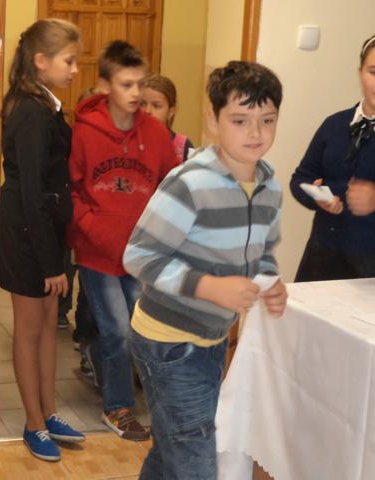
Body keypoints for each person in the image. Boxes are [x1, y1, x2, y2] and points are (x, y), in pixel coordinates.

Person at [124, 60, 288, 479]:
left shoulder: (269, 186)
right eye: (240, 120)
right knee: (195, 459)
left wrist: (269, 281)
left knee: (173, 447)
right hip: (167, 342)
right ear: (213, 121)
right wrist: (210, 287)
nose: (256, 133)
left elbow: (260, 251)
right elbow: (139, 256)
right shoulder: (190, 183)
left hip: (211, 339)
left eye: (267, 120)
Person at [67, 40, 178, 441]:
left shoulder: (155, 133)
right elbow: (72, 188)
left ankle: (157, 401)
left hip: (141, 254)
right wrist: (91, 226)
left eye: (140, 84)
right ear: (105, 86)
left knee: (144, 329)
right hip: (98, 254)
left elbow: (172, 184)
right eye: (126, 84)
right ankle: (117, 408)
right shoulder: (85, 131)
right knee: (117, 330)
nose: (135, 93)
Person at [0, 18, 86, 462]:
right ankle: (33, 423)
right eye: (68, 61)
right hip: (27, 234)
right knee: (30, 328)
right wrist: (50, 263)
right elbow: (32, 193)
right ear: (40, 60)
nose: (75, 69)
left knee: (50, 323)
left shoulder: (45, 103)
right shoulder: (30, 111)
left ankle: (49, 413)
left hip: (45, 230)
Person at [290, 34, 375, 281]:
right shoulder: (334, 124)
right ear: (360, 73)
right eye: (373, 72)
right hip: (322, 253)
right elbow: (300, 178)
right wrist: (317, 198)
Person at [140, 73, 195, 162]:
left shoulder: (183, 145)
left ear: (171, 112)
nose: (147, 111)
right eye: (142, 104)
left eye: (156, 106)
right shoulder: (131, 142)